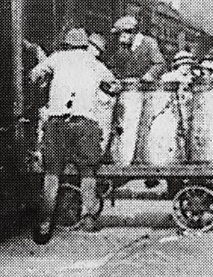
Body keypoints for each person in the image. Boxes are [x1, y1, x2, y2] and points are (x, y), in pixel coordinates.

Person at [29, 28, 118, 228]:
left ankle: (46, 218)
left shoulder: (57, 58)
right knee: (88, 171)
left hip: (57, 123)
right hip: (85, 123)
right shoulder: (95, 63)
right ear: (86, 45)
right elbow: (114, 85)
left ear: (66, 44)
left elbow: (35, 75)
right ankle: (87, 217)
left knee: (52, 172)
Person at [108, 16, 165, 81]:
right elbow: (112, 65)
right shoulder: (124, 47)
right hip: (129, 87)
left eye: (121, 34)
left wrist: (149, 75)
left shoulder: (149, 42)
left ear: (131, 32)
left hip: (148, 88)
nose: (120, 39)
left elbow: (160, 63)